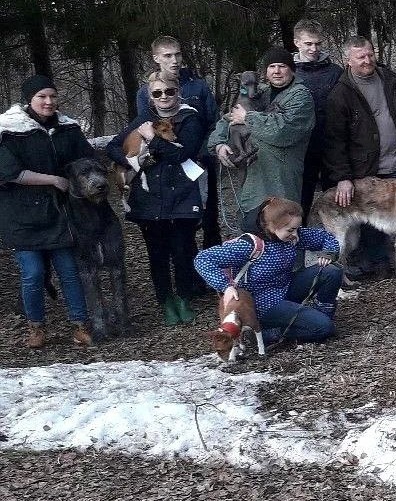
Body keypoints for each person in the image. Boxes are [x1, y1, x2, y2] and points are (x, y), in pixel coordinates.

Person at [323, 36, 396, 277]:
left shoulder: (392, 81)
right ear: (348, 60)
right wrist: (342, 176)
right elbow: (334, 140)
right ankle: (378, 264)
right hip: (365, 168)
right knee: (372, 220)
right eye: (360, 56)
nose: (367, 60)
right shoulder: (340, 93)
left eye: (370, 54)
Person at [106, 71, 207, 325]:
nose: (164, 97)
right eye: (157, 93)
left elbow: (182, 155)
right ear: (150, 97)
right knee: (157, 252)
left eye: (169, 91)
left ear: (178, 93)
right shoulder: (142, 119)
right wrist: (132, 162)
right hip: (149, 197)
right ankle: (166, 301)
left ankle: (184, 298)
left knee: (183, 250)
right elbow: (113, 147)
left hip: (182, 194)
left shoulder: (190, 119)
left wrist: (152, 140)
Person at [0, 75, 93, 348]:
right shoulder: (8, 130)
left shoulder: (68, 129)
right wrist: (53, 180)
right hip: (22, 215)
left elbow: (85, 158)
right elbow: (10, 173)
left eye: (52, 96)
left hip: (59, 213)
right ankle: (36, 328)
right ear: (29, 99)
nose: (49, 102)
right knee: (33, 273)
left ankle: (80, 325)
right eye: (42, 96)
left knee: (68, 270)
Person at [194, 197, 342, 345]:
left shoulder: (292, 236)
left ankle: (322, 314)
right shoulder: (249, 245)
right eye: (290, 230)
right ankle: (267, 334)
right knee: (324, 328)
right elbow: (203, 259)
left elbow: (324, 237)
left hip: (286, 289)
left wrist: (328, 252)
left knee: (331, 271)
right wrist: (226, 286)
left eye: (297, 229)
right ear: (271, 226)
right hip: (262, 304)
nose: (295, 234)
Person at [208, 47, 315, 220]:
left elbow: (283, 131)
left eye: (282, 66)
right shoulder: (260, 93)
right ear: (266, 71)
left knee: (283, 229)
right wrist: (219, 144)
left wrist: (247, 118)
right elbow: (227, 119)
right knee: (252, 230)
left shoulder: (301, 97)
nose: (277, 71)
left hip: (281, 179)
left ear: (292, 69)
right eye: (272, 66)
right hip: (252, 178)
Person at [136, 35, 221, 248]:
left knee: (209, 216)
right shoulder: (145, 91)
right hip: (168, 164)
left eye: (178, 54)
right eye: (167, 55)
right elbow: (148, 127)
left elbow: (214, 123)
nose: (175, 60)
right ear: (156, 58)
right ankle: (187, 271)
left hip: (200, 161)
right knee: (180, 223)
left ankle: (214, 271)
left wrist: (202, 154)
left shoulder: (198, 87)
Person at [292, 19, 344, 221]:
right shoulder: (288, 73)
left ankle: (335, 247)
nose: (314, 48)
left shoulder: (335, 73)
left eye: (318, 43)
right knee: (299, 201)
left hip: (332, 147)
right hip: (301, 148)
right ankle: (296, 244)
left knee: (337, 201)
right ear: (297, 42)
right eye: (308, 44)